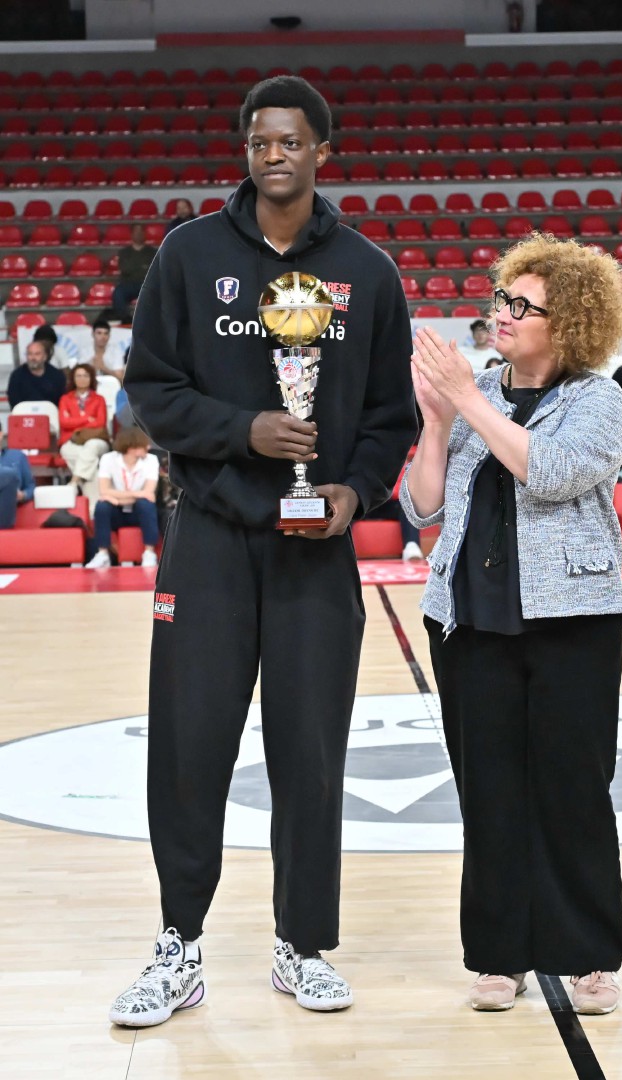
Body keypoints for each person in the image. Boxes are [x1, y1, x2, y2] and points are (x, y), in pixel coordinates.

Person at [111, 75, 416, 1026]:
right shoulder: (190, 254)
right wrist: (244, 431)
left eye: (288, 141)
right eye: (256, 141)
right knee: (189, 747)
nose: (270, 154)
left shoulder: (366, 271)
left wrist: (351, 490)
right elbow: (150, 389)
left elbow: (388, 415)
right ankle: (179, 947)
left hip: (311, 550)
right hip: (207, 536)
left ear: (322, 149)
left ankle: (301, 946)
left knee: (311, 754)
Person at [401, 233, 622, 1015]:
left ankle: (588, 956)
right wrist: (436, 422)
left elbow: (554, 474)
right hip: (468, 620)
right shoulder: (476, 392)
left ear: (565, 323)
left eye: (521, 306)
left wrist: (466, 400)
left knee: (573, 789)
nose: (501, 313)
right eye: (502, 298)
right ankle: (498, 956)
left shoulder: (597, 399)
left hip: (574, 621)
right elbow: (422, 509)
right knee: (488, 792)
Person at [85, 427, 160, 569]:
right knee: (102, 506)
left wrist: (115, 497)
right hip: (117, 513)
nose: (148, 447)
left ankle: (149, 553)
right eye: (144, 444)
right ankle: (102, 554)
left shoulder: (151, 460)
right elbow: (104, 490)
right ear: (131, 447)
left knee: (146, 504)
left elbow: (149, 493)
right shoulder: (108, 459)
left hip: (139, 512)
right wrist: (137, 494)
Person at [58, 363, 111, 511]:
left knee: (91, 446)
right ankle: (93, 510)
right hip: (70, 441)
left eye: (85, 375)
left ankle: (74, 482)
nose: (82, 379)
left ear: (91, 378)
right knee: (90, 466)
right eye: (78, 376)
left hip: (97, 440)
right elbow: (64, 422)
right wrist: (88, 419)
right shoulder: (65, 399)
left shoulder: (99, 399)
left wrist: (75, 422)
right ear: (73, 379)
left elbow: (100, 422)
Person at [112, 223, 157, 322]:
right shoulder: (123, 252)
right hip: (128, 284)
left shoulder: (152, 252)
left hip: (146, 284)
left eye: (141, 231)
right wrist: (143, 267)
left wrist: (136, 267)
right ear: (131, 234)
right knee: (118, 293)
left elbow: (154, 270)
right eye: (136, 232)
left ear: (144, 234)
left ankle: (152, 320)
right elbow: (125, 269)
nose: (139, 234)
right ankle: (125, 319)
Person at [7, 340, 66, 411]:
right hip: (24, 416)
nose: (33, 358)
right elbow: (14, 403)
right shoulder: (16, 376)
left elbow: (61, 402)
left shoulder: (57, 376)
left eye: (37, 354)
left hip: (51, 417)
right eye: (30, 354)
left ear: (45, 356)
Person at [0, 422, 35, 529]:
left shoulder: (17, 456)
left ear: (1, 435)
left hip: (7, 510)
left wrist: (23, 495)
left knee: (8, 475)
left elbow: (31, 487)